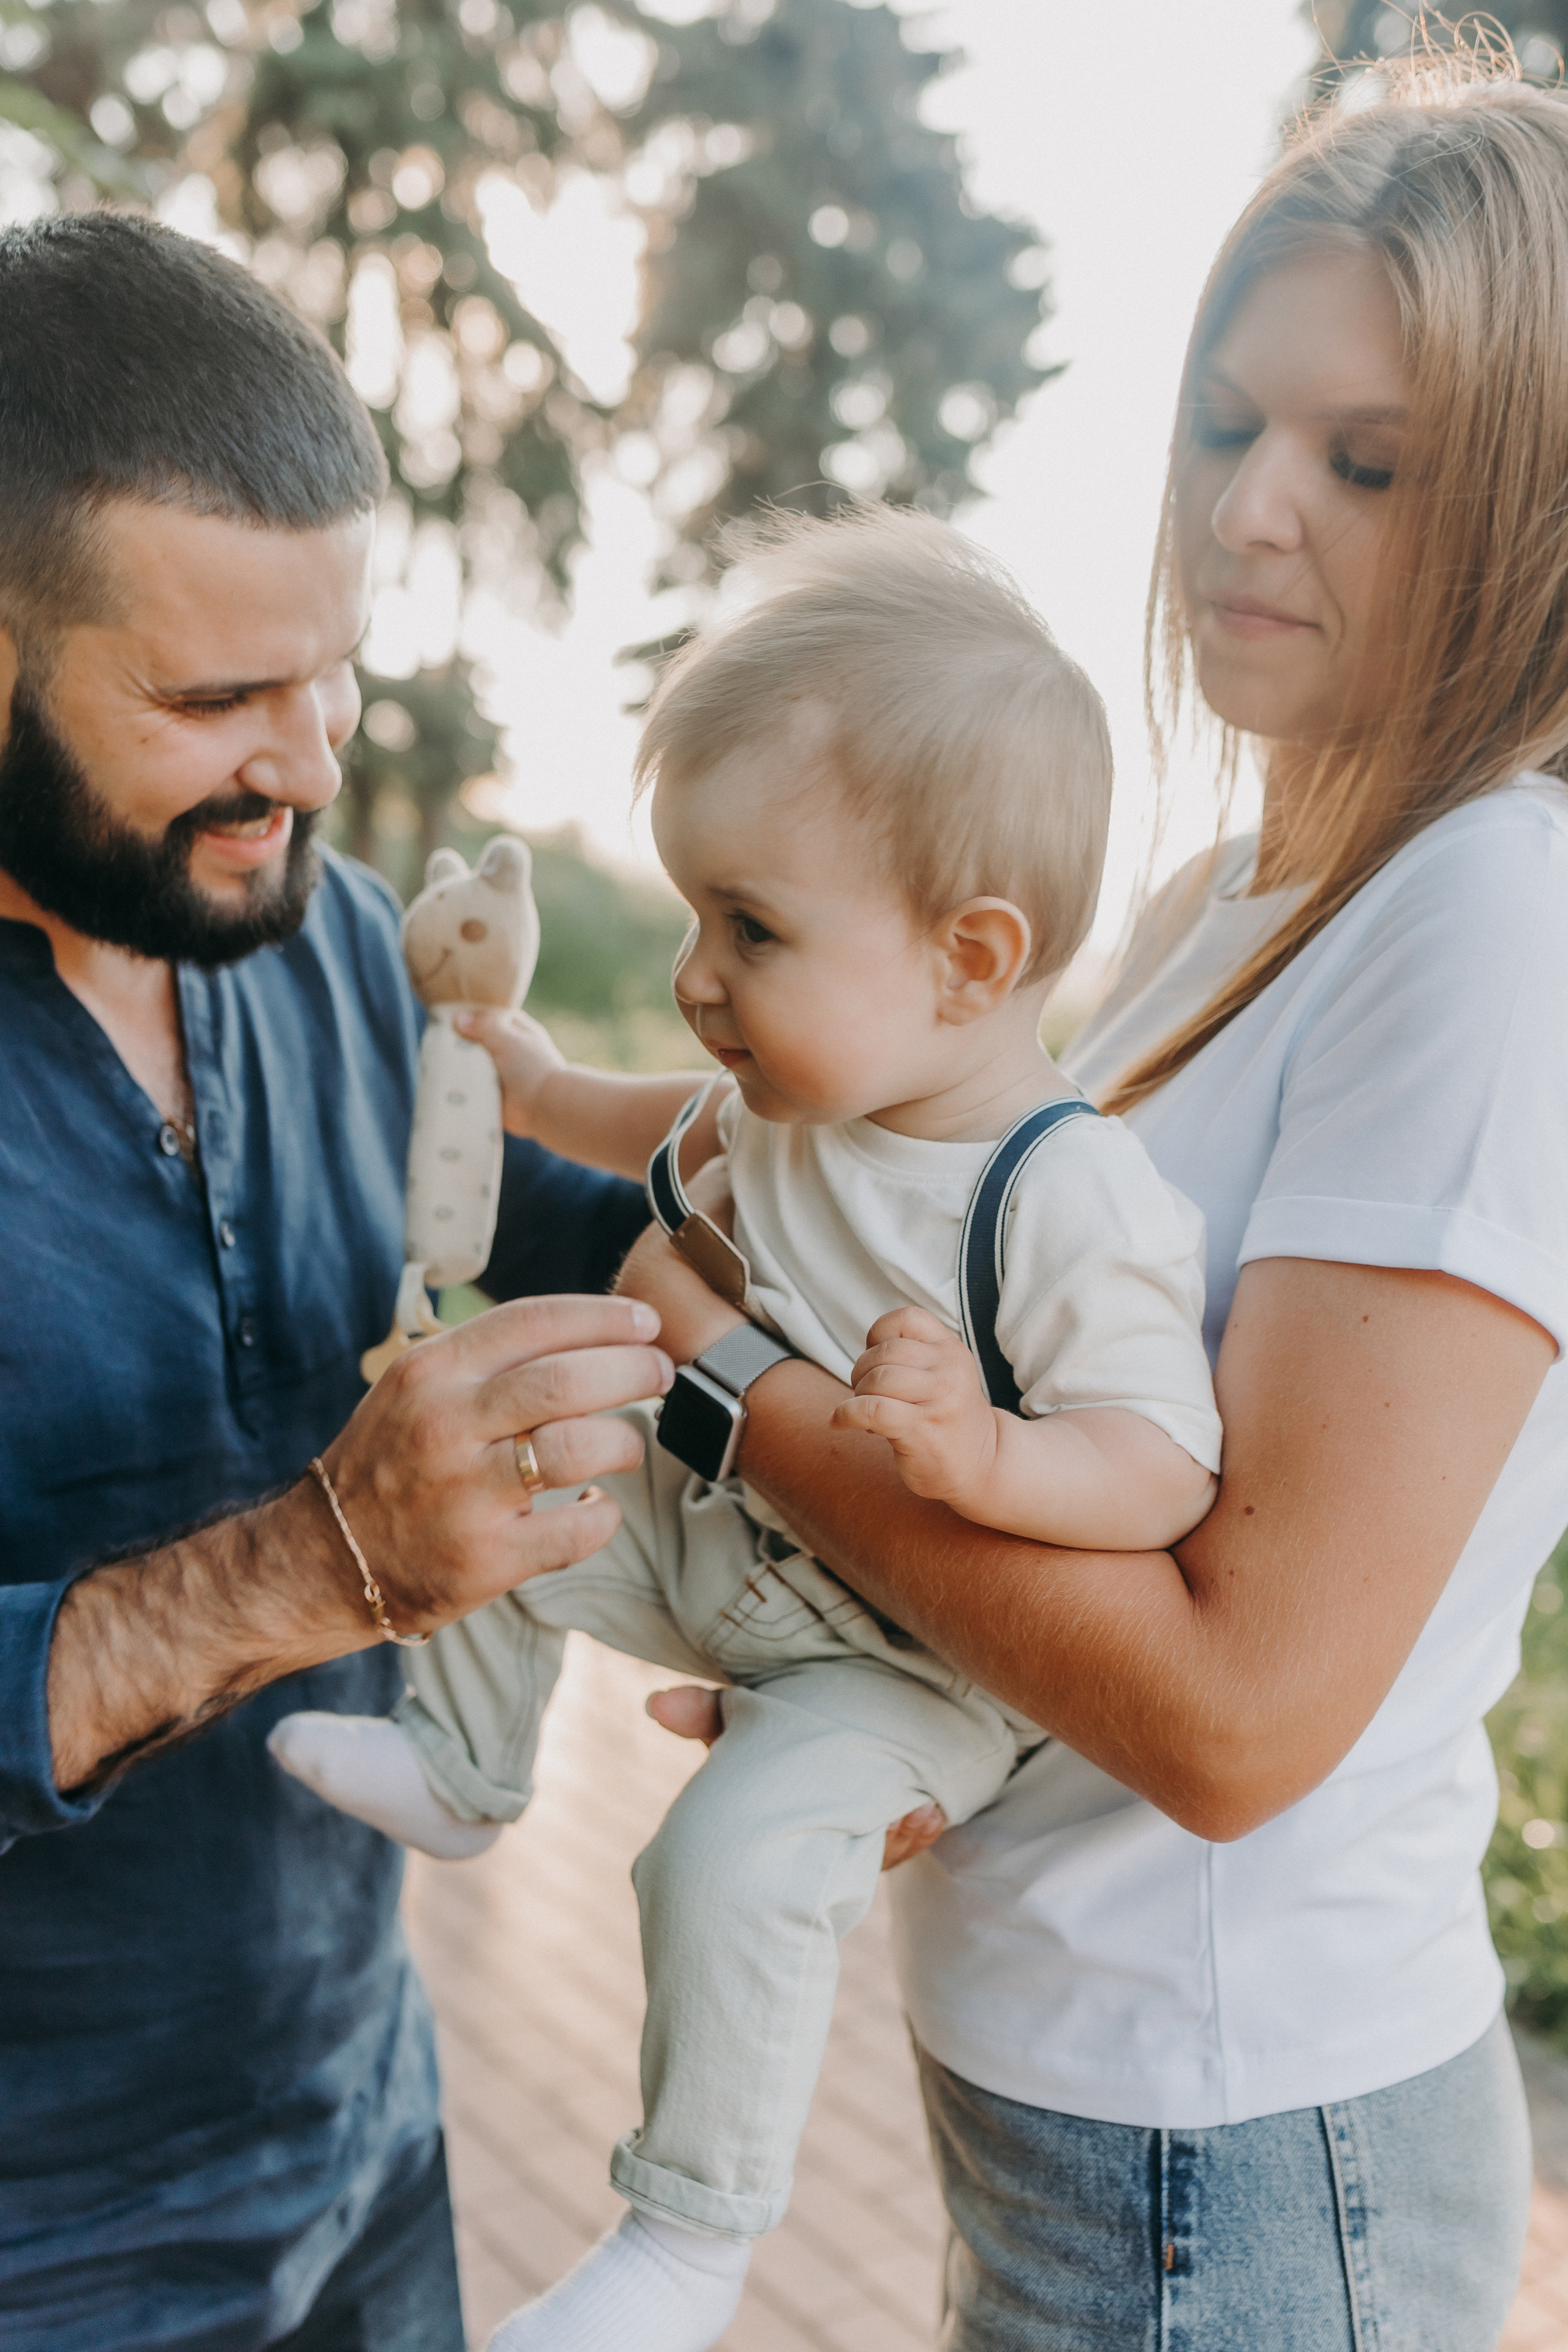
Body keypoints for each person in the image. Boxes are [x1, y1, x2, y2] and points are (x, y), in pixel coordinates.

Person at [548, 56, 1568, 2350]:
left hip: (1233, 2143)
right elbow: (969, 1252)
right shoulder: (1240, 887)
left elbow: (1230, 1717)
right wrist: (861, 1634)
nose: (1249, 513)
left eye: (1365, 463)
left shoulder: (1498, 920)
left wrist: (726, 1386)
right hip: (1072, 2094)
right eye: (1229, 428)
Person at [271, 507, 1225, 2352]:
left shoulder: (1063, 1190)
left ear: (972, 959)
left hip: (910, 1669)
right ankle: (468, 1774)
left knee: (722, 1861)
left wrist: (992, 1460)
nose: (704, 974)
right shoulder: (799, 1087)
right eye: (699, 913)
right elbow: (665, 1117)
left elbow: (1168, 1461)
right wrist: (538, 1086)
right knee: (502, 1451)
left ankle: (687, 2241)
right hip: (732, 1551)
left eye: (752, 926)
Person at [0, 211, 673, 2351]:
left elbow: (578, 1249)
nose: (307, 765)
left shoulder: (328, 925)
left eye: (335, 670)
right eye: (217, 698)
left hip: (370, 2150)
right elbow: (329, 1560)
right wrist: (314, 1568)